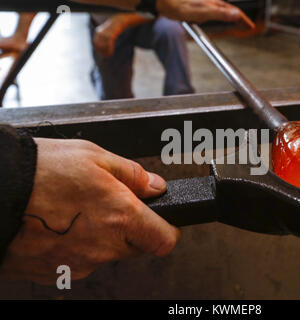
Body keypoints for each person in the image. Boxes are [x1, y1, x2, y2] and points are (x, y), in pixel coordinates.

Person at [0, 0, 253, 285]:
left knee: (170, 32)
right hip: (108, 20)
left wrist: (137, 12)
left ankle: (181, 109)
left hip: (149, 20)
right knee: (114, 99)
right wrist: (14, 182)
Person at [90, 13, 194, 99]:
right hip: (107, 23)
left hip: (149, 18)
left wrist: (120, 21)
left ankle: (180, 102)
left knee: (171, 30)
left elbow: (169, 6)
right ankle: (100, 75)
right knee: (116, 100)